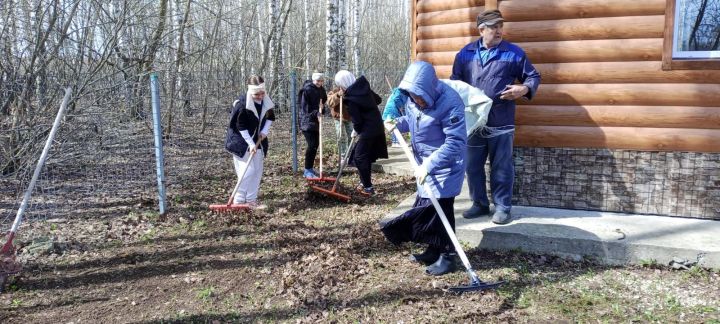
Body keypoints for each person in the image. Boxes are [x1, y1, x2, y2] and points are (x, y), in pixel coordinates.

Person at [450, 9, 541, 224]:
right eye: (493, 26)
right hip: (473, 121)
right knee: (473, 166)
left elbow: (533, 76)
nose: (499, 30)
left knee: (501, 166)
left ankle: (502, 207)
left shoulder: (514, 53)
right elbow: (455, 84)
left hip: (501, 119)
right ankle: (479, 204)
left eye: (500, 26)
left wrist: (524, 89)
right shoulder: (465, 54)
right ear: (481, 29)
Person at [380, 61, 467, 276]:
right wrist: (396, 123)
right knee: (431, 208)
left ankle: (448, 257)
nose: (415, 100)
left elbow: (455, 143)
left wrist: (429, 165)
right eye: (412, 95)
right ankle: (433, 250)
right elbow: (413, 120)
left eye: (419, 95)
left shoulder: (450, 102)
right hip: (424, 165)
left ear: (428, 88)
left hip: (445, 165)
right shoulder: (413, 98)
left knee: (441, 211)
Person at [224, 75, 276, 209]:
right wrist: (251, 144)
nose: (260, 96)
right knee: (248, 171)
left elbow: (270, 117)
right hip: (240, 141)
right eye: (256, 94)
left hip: (258, 138)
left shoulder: (266, 101)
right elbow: (240, 126)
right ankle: (239, 201)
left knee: (257, 169)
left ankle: (251, 201)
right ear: (250, 91)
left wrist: (264, 130)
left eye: (262, 93)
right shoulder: (242, 104)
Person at [334, 70, 388, 196]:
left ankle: (368, 188)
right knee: (365, 156)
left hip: (367, 129)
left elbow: (357, 120)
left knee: (359, 157)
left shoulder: (351, 98)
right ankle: (365, 184)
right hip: (377, 125)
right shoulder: (364, 87)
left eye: (339, 84)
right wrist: (367, 106)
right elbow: (378, 100)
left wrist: (356, 130)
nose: (339, 87)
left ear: (342, 84)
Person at [298, 72, 328, 178]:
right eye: (317, 81)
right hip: (307, 121)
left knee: (315, 145)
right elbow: (305, 108)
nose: (319, 83)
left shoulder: (321, 89)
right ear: (313, 80)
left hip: (315, 121)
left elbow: (324, 100)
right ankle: (307, 170)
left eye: (321, 81)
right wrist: (316, 113)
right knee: (312, 145)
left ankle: (310, 168)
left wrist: (322, 108)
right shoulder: (307, 90)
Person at [327, 87, 353, 157]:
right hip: (338, 117)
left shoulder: (352, 89)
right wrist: (338, 95)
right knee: (340, 135)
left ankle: (351, 155)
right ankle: (343, 154)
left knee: (352, 136)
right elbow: (330, 103)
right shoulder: (334, 90)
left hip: (350, 117)